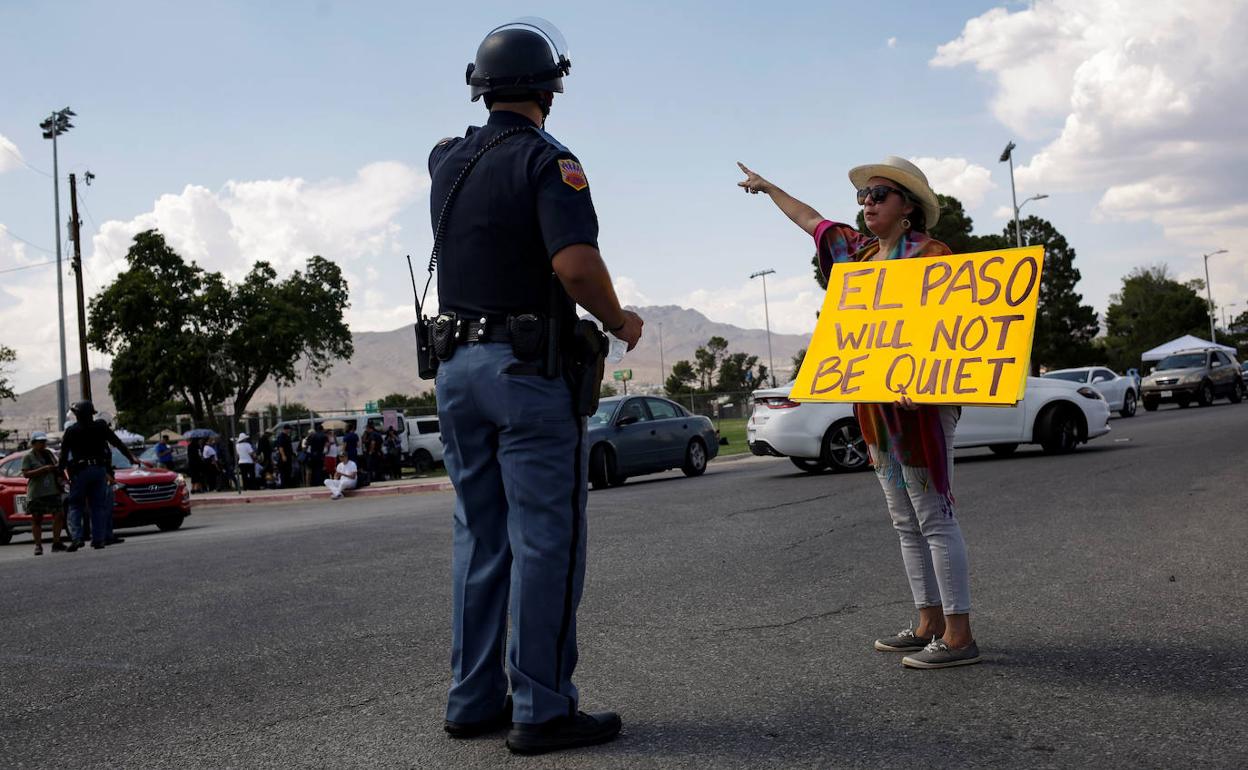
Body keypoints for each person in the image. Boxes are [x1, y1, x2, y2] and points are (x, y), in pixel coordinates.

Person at [430, 19, 643, 754]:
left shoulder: (446, 163)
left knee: (479, 537)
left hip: (455, 371)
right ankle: (543, 707)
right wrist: (621, 319)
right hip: (522, 373)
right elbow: (576, 266)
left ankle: (472, 699)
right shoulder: (550, 162)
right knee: (546, 538)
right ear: (552, 86)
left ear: (480, 85)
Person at [738, 155, 980, 669]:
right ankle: (927, 622)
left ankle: (959, 635)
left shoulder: (931, 256)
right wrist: (767, 186)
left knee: (934, 516)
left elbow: (951, 327)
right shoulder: (859, 256)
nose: (867, 203)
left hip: (920, 409)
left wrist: (930, 382)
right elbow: (812, 222)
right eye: (863, 196)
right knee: (904, 519)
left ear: (907, 207)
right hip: (874, 406)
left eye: (879, 195)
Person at [58, 401, 139, 550]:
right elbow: (118, 443)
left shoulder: (71, 431)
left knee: (76, 505)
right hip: (99, 470)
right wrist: (131, 457)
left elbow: (63, 456)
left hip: (80, 471)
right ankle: (98, 539)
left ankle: (77, 538)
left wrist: (59, 474)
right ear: (92, 413)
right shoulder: (101, 427)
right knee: (98, 506)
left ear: (77, 415)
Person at [20, 432, 66, 556]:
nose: (42, 444)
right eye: (40, 442)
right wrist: (43, 469)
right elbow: (26, 474)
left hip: (52, 490)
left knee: (59, 514)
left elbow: (57, 467)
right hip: (37, 492)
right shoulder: (28, 457)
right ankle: (38, 545)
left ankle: (56, 542)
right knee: (37, 519)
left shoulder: (49, 454)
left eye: (44, 442)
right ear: (33, 443)